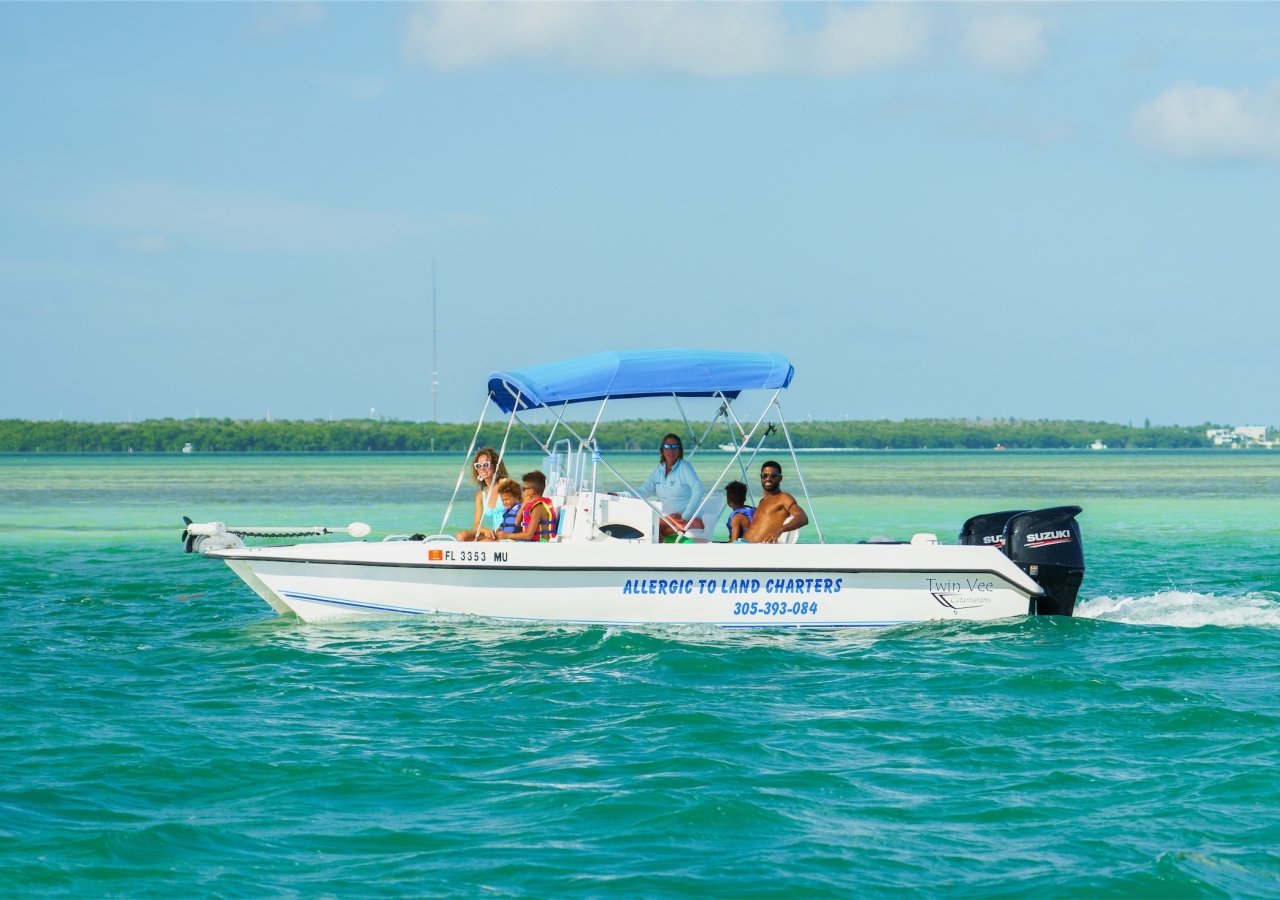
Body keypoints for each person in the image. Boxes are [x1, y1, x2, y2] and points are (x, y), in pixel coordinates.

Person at [639, 433, 705, 540]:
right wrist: (619, 494)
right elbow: (643, 491)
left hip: (687, 519)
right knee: (650, 528)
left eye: (674, 447)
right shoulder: (658, 470)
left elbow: (699, 489)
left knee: (652, 529)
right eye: (667, 447)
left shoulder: (684, 467)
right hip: (667, 518)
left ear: (679, 450)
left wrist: (685, 515)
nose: (671, 450)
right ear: (662, 450)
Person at [742, 460, 808, 544]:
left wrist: (779, 531)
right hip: (743, 543)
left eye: (773, 476)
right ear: (761, 477)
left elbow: (802, 517)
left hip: (757, 549)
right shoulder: (762, 501)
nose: (768, 479)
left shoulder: (783, 498)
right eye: (764, 475)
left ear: (780, 478)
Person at [456, 447, 510, 542]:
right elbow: (476, 525)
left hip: (508, 535)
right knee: (461, 536)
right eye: (478, 466)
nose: (482, 468)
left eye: (486, 464)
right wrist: (486, 531)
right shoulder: (481, 495)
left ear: (495, 466)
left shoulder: (505, 485)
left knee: (481, 544)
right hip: (495, 535)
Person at [496, 471, 558, 542]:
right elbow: (517, 522)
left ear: (531, 491)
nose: (522, 492)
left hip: (538, 545)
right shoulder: (530, 505)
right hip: (529, 543)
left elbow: (529, 535)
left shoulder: (538, 507)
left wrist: (507, 535)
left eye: (524, 489)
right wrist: (523, 505)